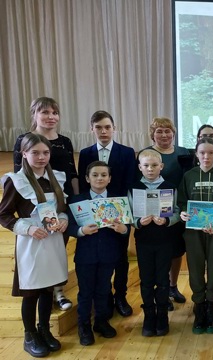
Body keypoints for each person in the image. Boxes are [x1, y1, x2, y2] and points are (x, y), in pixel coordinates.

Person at [0, 133, 68, 357]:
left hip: (53, 239)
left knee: (48, 289)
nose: (41, 157)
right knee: (31, 292)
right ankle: (29, 334)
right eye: (35, 152)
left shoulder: (56, 177)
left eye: (45, 152)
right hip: (31, 243)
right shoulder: (16, 180)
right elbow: (4, 214)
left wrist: (64, 220)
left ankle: (44, 330)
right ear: (24, 154)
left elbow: (61, 209)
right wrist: (28, 229)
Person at [13, 96, 78, 311]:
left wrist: (75, 202)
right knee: (38, 253)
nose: (51, 117)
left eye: (54, 113)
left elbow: (71, 174)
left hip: (60, 202)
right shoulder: (24, 139)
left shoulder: (65, 141)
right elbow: (18, 174)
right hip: (34, 207)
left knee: (59, 248)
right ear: (34, 114)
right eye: (45, 112)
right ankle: (40, 292)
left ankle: (57, 291)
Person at [78, 110, 137, 318]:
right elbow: (83, 184)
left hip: (118, 213)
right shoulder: (85, 153)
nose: (103, 131)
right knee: (98, 255)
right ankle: (103, 300)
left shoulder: (127, 152)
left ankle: (120, 296)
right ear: (92, 129)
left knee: (120, 258)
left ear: (114, 128)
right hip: (93, 214)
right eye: (98, 127)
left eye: (107, 127)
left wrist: (124, 214)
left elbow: (130, 184)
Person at [67, 161, 128, 346]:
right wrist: (80, 231)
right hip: (86, 255)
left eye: (103, 175)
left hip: (109, 254)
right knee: (85, 292)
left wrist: (123, 229)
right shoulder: (77, 201)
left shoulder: (119, 201)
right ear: (87, 178)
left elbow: (128, 226)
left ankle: (101, 321)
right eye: (95, 175)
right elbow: (69, 226)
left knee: (103, 289)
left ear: (109, 179)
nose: (99, 178)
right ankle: (83, 325)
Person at [179, 137, 213, 334]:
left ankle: (211, 309)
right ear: (196, 154)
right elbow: (182, 201)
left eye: (210, 153)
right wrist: (184, 212)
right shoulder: (189, 176)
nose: (206, 156)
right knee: (195, 269)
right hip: (193, 232)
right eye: (202, 152)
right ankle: (199, 308)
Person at [138, 117, 190, 312]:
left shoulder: (183, 152)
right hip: (151, 213)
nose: (164, 135)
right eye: (159, 131)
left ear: (173, 133)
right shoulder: (146, 154)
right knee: (159, 254)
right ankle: (160, 290)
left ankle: (172, 287)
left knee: (176, 251)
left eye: (168, 131)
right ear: (153, 134)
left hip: (176, 211)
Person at [130, 150, 181, 337]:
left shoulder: (170, 187)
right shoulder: (134, 188)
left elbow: (176, 211)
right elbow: (129, 213)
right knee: (146, 280)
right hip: (144, 241)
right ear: (140, 167)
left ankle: (162, 316)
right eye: (146, 166)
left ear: (161, 166)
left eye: (154, 165)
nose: (150, 169)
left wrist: (167, 221)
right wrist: (137, 222)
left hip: (165, 240)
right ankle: (148, 316)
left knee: (162, 280)